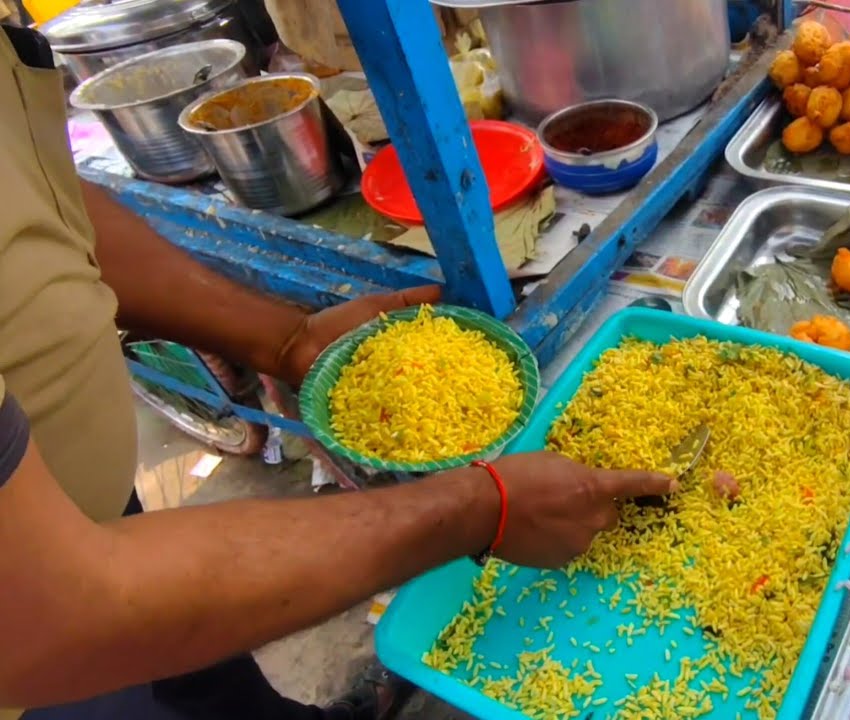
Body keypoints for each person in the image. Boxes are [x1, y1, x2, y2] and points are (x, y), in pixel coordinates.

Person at [0, 20, 674, 720]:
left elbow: (52, 213)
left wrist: (287, 339)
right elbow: (49, 618)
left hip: (74, 498)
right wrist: (482, 509)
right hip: (41, 636)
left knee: (205, 680)